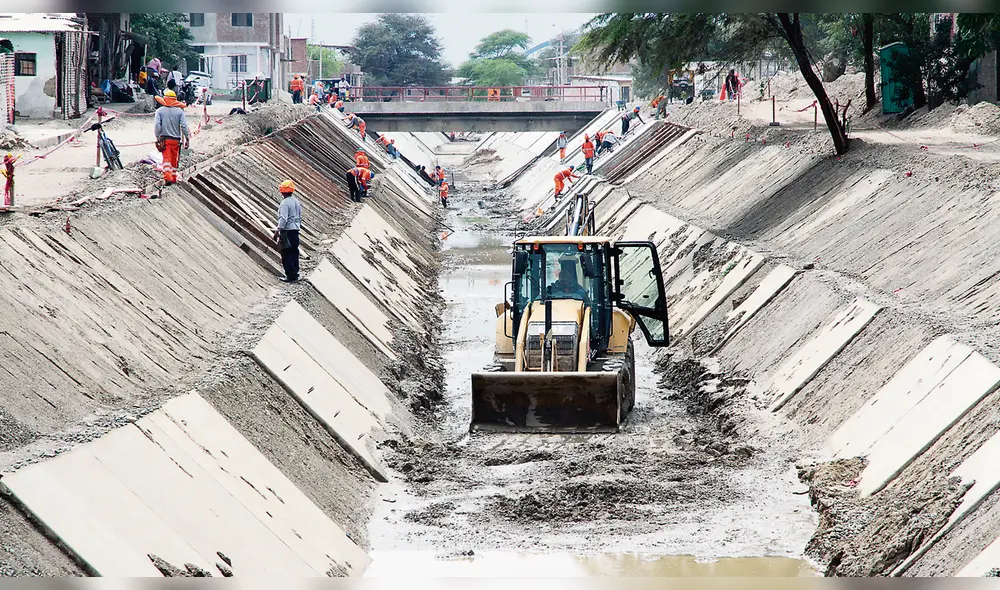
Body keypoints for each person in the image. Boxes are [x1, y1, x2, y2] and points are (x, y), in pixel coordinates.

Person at [153, 89, 190, 185]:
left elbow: (157, 125)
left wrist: (157, 137)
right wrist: (187, 138)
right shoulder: (180, 112)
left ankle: (168, 178)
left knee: (166, 159)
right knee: (174, 159)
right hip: (176, 140)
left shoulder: (159, 111)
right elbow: (184, 126)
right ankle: (173, 178)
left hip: (165, 139)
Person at [272, 180, 302, 283]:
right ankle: (295, 274)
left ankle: (289, 276)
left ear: (282, 191)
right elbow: (299, 216)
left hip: (287, 231)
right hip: (295, 230)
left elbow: (283, 219)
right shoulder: (296, 202)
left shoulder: (285, 203)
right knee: (294, 252)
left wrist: (277, 231)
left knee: (286, 253)